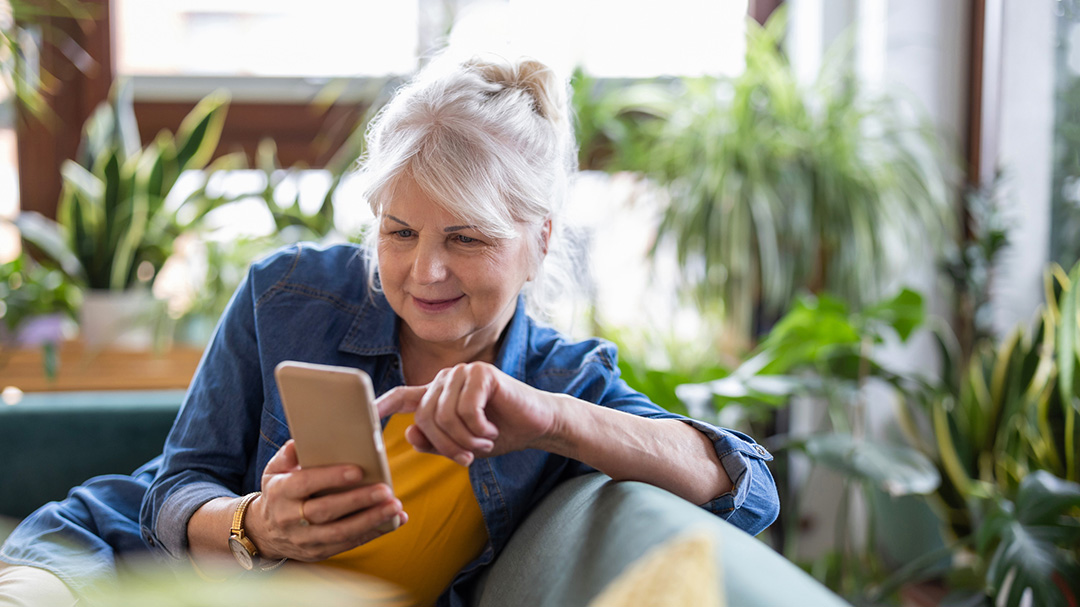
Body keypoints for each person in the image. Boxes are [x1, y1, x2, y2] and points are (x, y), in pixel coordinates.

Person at [0, 54, 778, 607]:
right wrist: (255, 526)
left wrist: (546, 418)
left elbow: (747, 485)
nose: (423, 273)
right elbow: (169, 491)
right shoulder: (292, 295)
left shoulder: (556, 383)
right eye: (399, 231)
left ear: (540, 241)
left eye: (465, 239)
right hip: (96, 561)